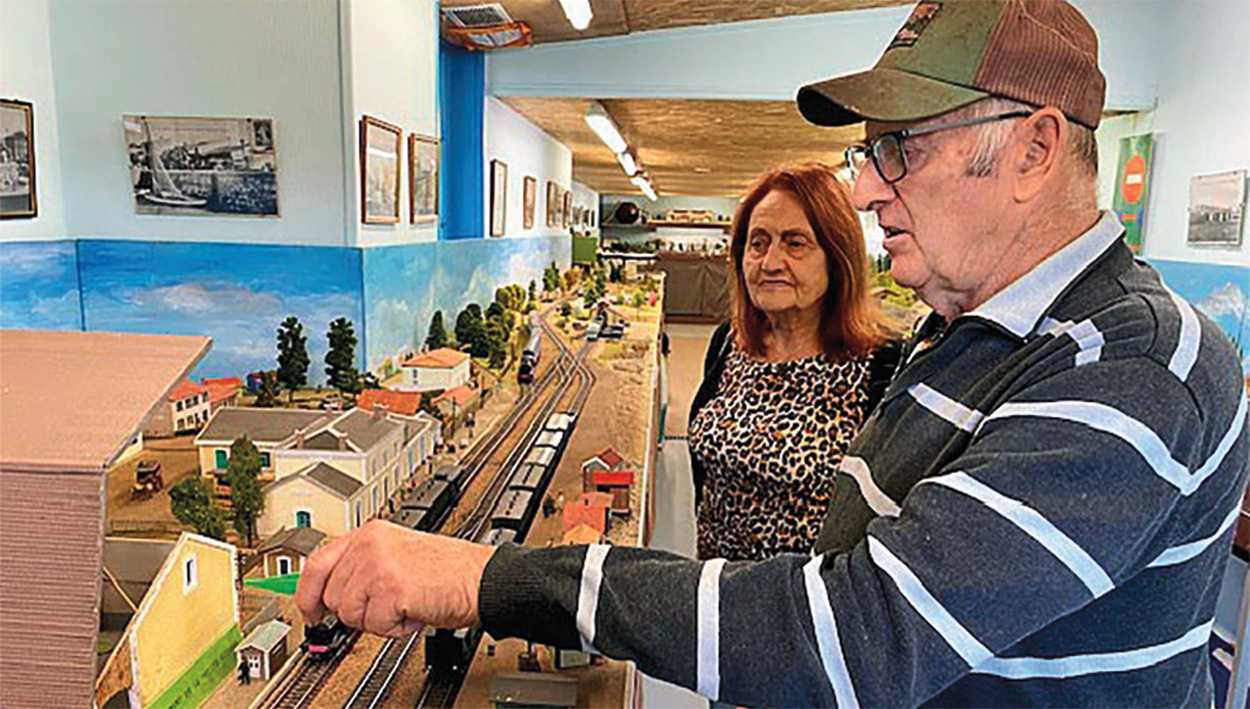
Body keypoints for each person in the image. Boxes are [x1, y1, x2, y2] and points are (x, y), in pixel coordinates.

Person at [296, 1, 1249, 706]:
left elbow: (860, 631)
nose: (872, 191)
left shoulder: (1131, 370)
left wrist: (479, 577)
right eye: (869, 156)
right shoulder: (965, 329)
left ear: (1037, 150)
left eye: (900, 150)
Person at [688, 164, 900, 561]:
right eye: (758, 243)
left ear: (837, 258)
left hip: (805, 611)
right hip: (716, 591)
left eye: (795, 243)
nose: (770, 262)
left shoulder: (881, 367)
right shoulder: (728, 344)